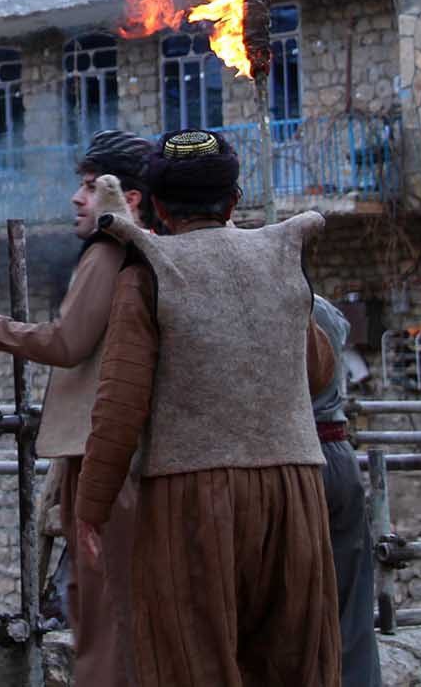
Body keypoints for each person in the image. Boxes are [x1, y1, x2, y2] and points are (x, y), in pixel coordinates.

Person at [74, 131, 340, 687]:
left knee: (190, 663)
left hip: (190, 498)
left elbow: (119, 405)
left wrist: (91, 507)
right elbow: (318, 371)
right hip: (294, 490)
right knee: (296, 665)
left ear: (162, 207)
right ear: (234, 200)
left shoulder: (148, 270)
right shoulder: (279, 257)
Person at [0, 131, 155, 687]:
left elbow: (66, 342)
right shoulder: (151, 251)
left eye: (89, 187)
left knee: (101, 606)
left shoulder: (110, 253)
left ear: (130, 200)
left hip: (100, 451)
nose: (77, 200)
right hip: (129, 449)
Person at [312, 295, 381, 687]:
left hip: (298, 457)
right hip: (337, 451)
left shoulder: (267, 300)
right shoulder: (324, 308)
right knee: (350, 606)